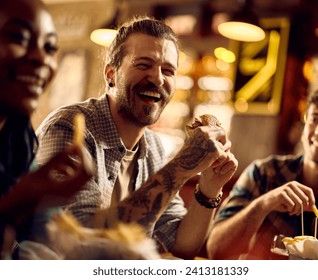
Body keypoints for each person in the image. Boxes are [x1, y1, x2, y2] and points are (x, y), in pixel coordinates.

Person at [35, 16, 238, 259]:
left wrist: (209, 188)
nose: (158, 78)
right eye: (143, 65)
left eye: (168, 71)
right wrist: (182, 166)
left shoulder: (153, 147)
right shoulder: (70, 129)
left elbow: (182, 244)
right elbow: (81, 244)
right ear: (111, 74)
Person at [0, 0, 94, 260]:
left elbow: (43, 239)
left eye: (50, 47)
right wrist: (12, 209)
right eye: (19, 38)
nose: (41, 58)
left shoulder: (18, 141)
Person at [206, 87, 318, 260]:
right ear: (304, 129)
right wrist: (265, 204)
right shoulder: (263, 173)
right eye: (315, 119)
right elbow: (216, 250)